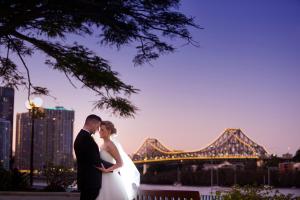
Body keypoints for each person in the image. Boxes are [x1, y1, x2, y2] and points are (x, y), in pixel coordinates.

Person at [96, 121, 140, 200]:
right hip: (102, 177)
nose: (99, 131)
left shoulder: (110, 145)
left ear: (109, 131)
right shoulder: (102, 145)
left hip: (110, 178)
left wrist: (107, 170)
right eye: (99, 129)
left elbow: (120, 163)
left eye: (102, 130)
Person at [74, 115, 113, 200]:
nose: (97, 130)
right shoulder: (86, 139)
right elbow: (95, 161)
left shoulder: (82, 136)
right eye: (97, 126)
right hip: (91, 182)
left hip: (87, 181)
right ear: (92, 123)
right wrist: (114, 167)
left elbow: (92, 158)